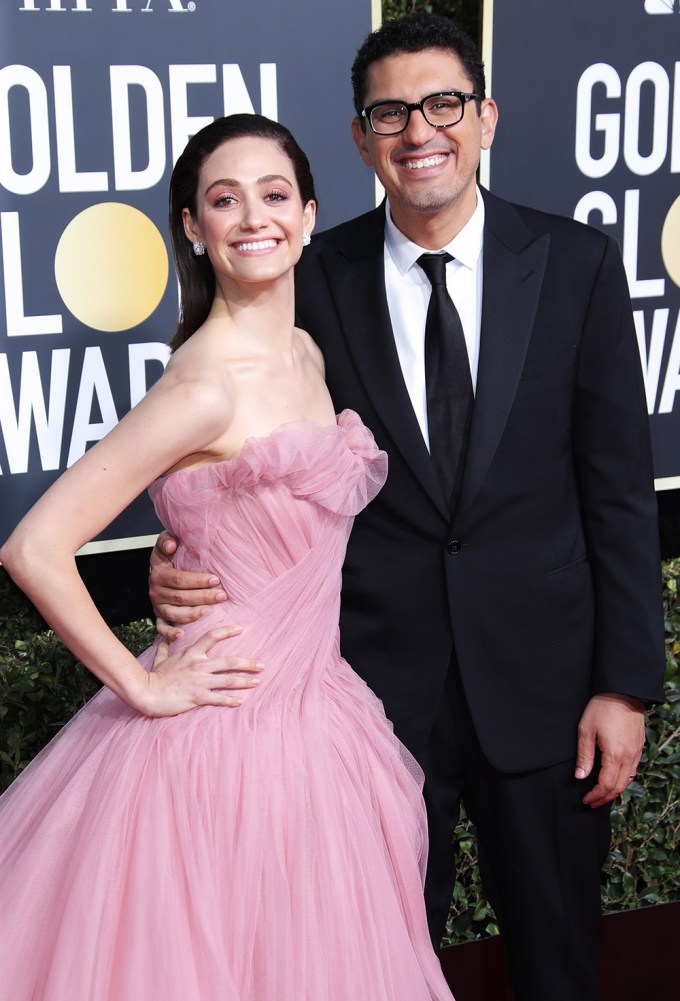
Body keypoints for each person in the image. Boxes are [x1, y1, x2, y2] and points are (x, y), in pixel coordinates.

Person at [149, 14, 667, 1001]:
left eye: (440, 104)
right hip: (368, 702)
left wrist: (625, 682)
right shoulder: (310, 281)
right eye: (389, 110)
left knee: (559, 966)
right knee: (372, 969)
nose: (416, 128)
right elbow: (233, 446)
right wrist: (172, 553)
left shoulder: (575, 264)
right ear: (358, 137)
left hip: (548, 693)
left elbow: (615, 491)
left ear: (483, 119)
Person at [0, 113, 455, 1001]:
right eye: (223, 199)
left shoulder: (303, 352)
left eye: (273, 194)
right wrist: (144, 686)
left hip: (320, 723)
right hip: (218, 744)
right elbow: (34, 545)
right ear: (192, 228)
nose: (254, 217)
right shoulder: (203, 386)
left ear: (311, 213)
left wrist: (187, 547)